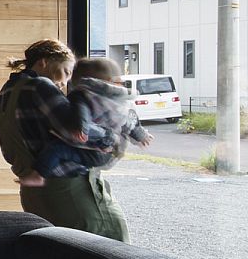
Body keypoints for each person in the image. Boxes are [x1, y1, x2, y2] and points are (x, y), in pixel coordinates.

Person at [0, 39, 130, 241]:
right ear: (44, 62)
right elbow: (74, 131)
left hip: (34, 195)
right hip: (70, 194)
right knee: (115, 254)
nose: (65, 82)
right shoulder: (39, 86)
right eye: (65, 72)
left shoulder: (5, 93)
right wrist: (111, 136)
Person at [19, 57, 152, 184]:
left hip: (94, 149)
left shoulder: (82, 94)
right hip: (110, 152)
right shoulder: (122, 100)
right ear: (115, 80)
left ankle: (38, 174)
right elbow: (130, 121)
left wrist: (81, 127)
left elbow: (82, 112)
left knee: (57, 150)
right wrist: (141, 136)